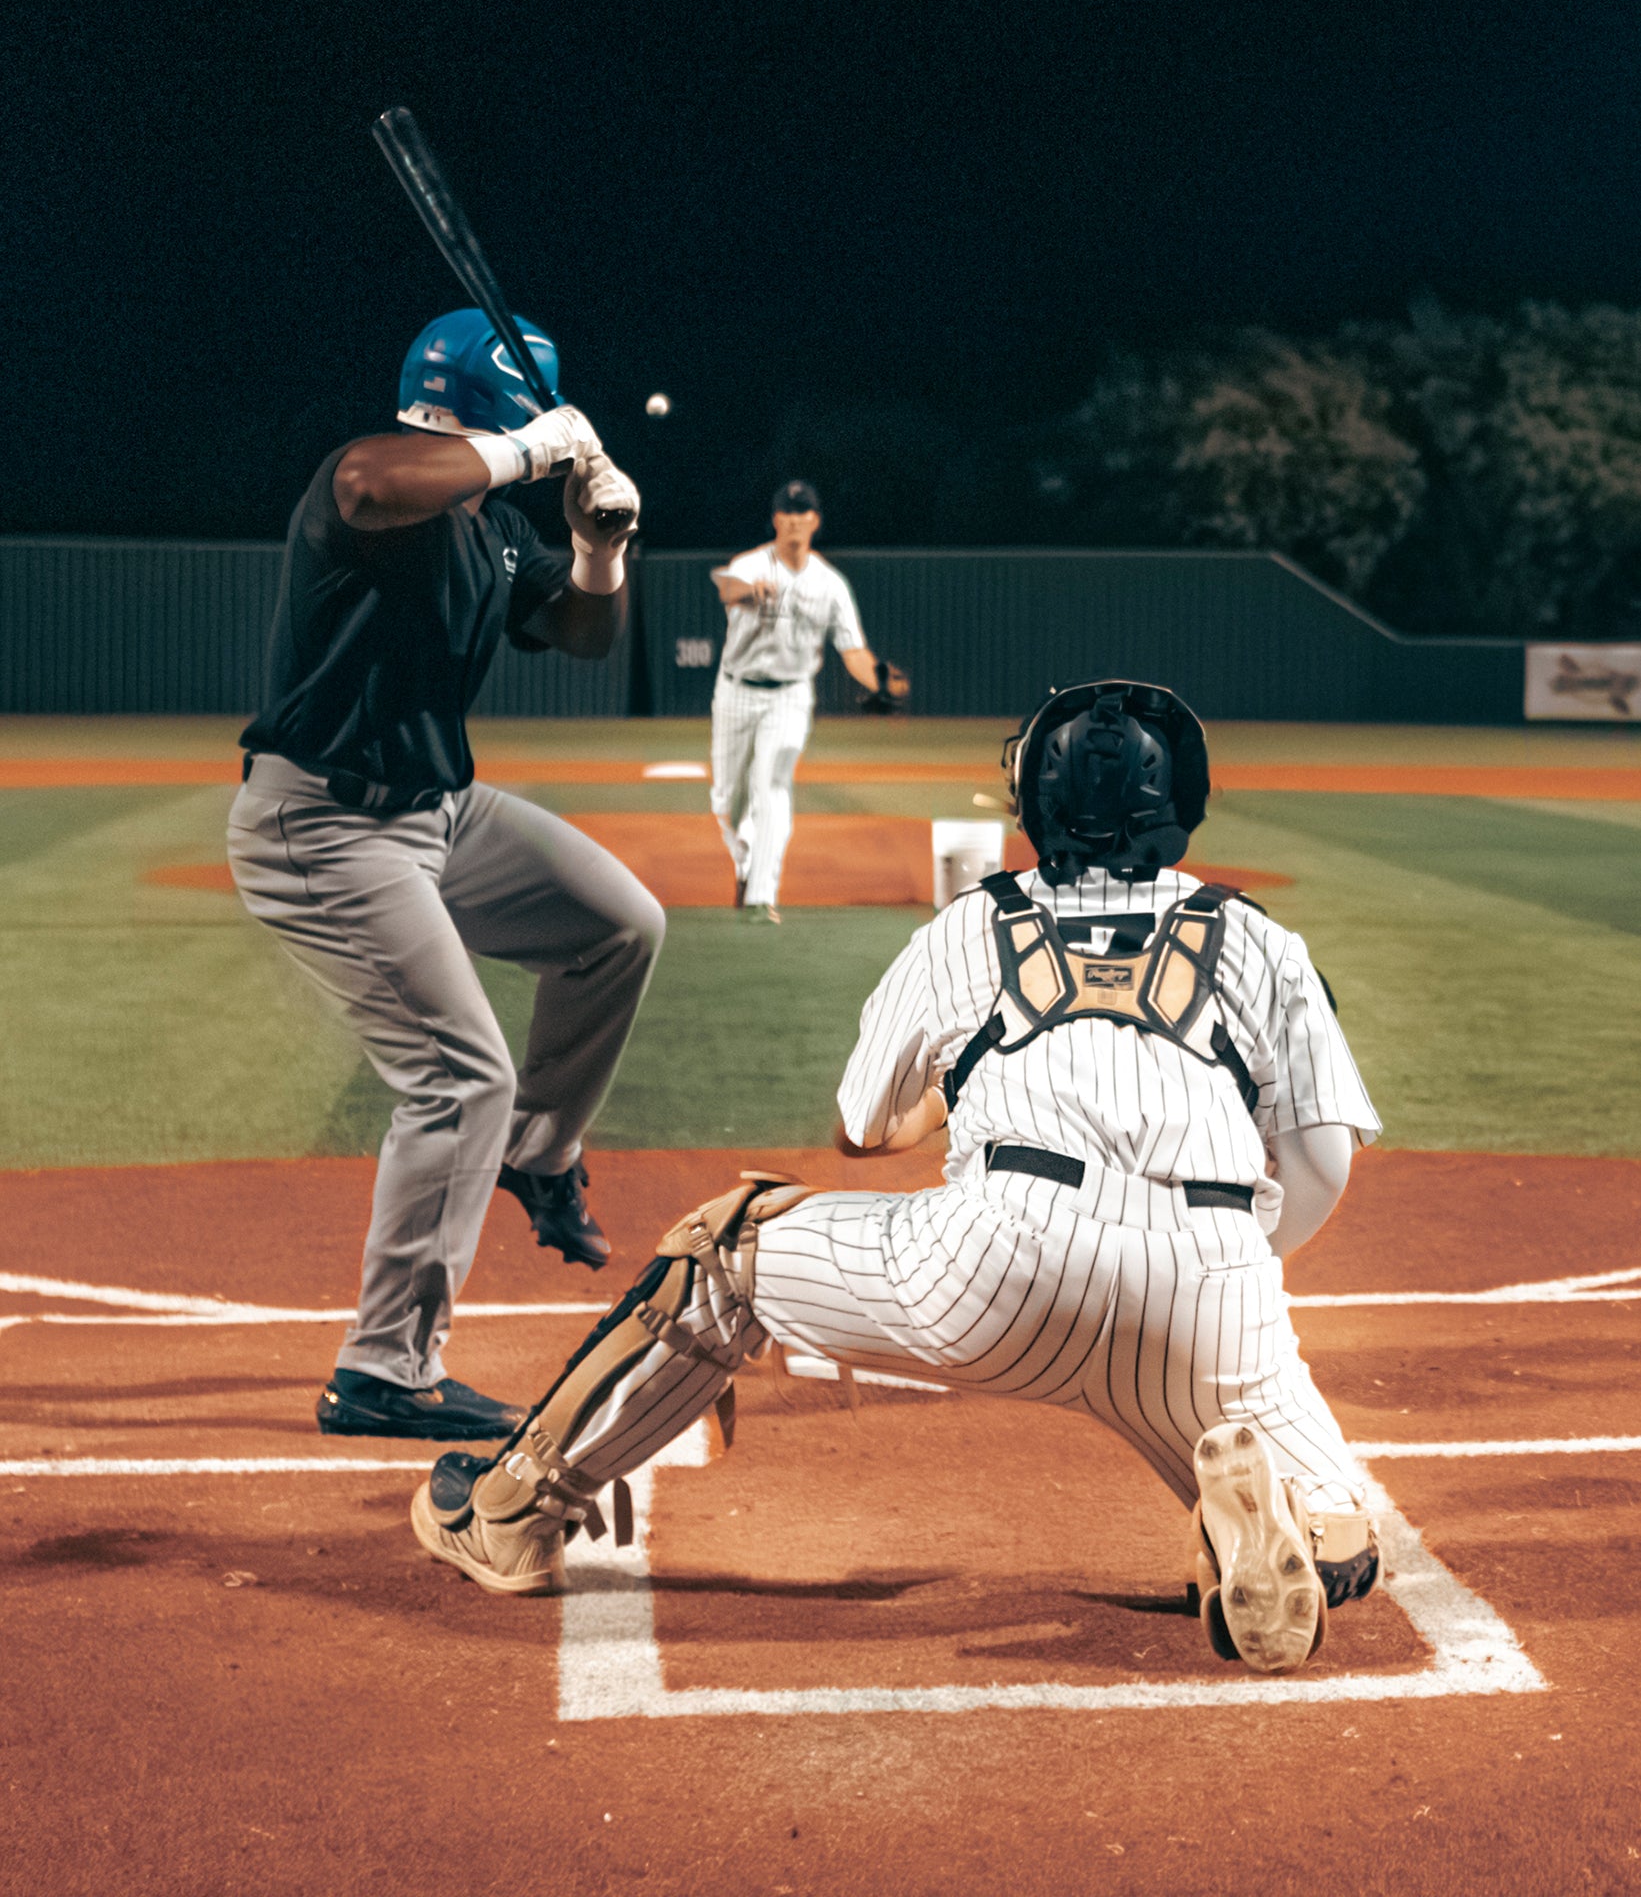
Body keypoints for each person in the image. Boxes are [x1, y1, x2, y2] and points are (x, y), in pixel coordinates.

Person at [406, 679, 1382, 1674]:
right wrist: (1223, 1271)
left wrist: (962, 1087)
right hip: (1216, 1287)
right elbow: (1322, 1163)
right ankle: (1279, 1523)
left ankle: (515, 1511)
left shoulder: (971, 924)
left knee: (725, 1252)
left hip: (1000, 1269)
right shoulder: (1261, 939)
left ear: (1037, 800)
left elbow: (861, 1127)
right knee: (1340, 1518)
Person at [228, 308, 666, 1443]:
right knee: (459, 1074)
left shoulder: (491, 528)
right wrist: (532, 449)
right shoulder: (373, 485)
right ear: (514, 418)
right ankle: (384, 1367)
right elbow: (372, 481)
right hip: (322, 824)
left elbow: (578, 635)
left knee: (620, 921)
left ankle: (542, 1152)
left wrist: (599, 551)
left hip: (437, 812)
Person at [708, 481, 900, 923]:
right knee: (728, 799)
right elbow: (726, 590)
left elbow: (852, 649)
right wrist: (751, 592)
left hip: (791, 695)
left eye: (803, 511)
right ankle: (743, 862)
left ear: (815, 520)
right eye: (787, 511)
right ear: (776, 519)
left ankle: (761, 895)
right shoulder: (750, 564)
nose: (795, 519)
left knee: (773, 784)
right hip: (737, 690)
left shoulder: (830, 583)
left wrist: (879, 682)